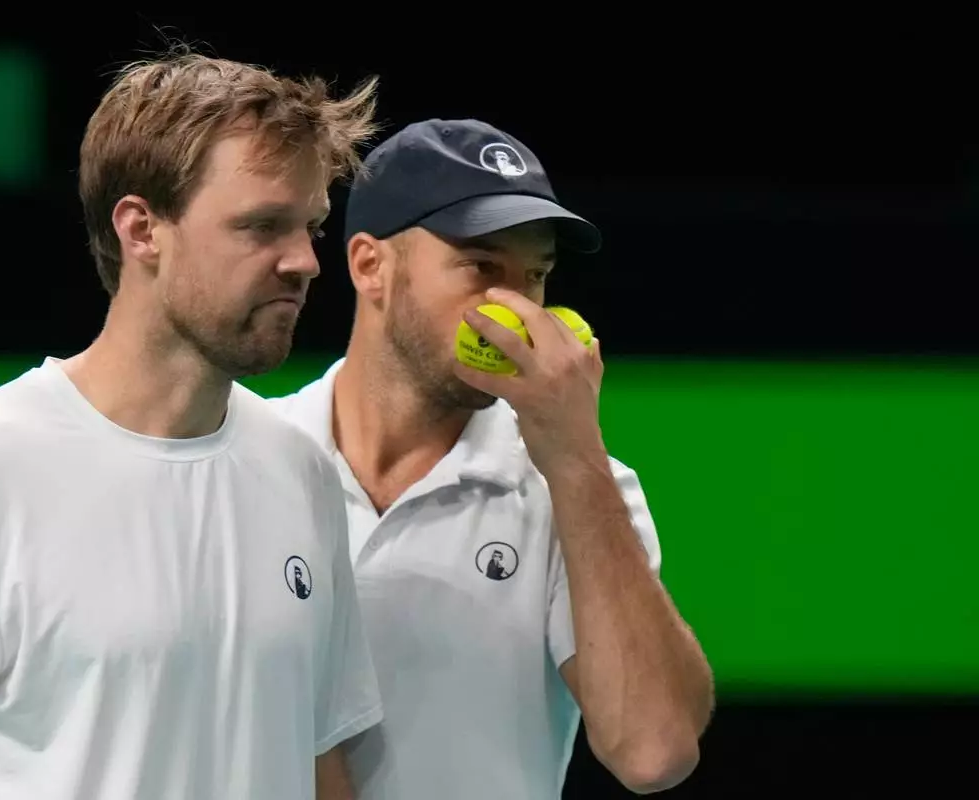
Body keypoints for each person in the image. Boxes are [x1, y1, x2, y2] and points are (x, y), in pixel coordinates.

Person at [0, 52, 384, 800]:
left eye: (311, 228)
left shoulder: (302, 471)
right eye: (262, 226)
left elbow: (317, 760)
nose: (303, 262)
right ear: (141, 231)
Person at [269, 118, 715, 799]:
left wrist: (576, 461)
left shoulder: (578, 490)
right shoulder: (254, 460)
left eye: (534, 275)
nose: (514, 309)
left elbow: (653, 752)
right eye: (481, 266)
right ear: (370, 266)